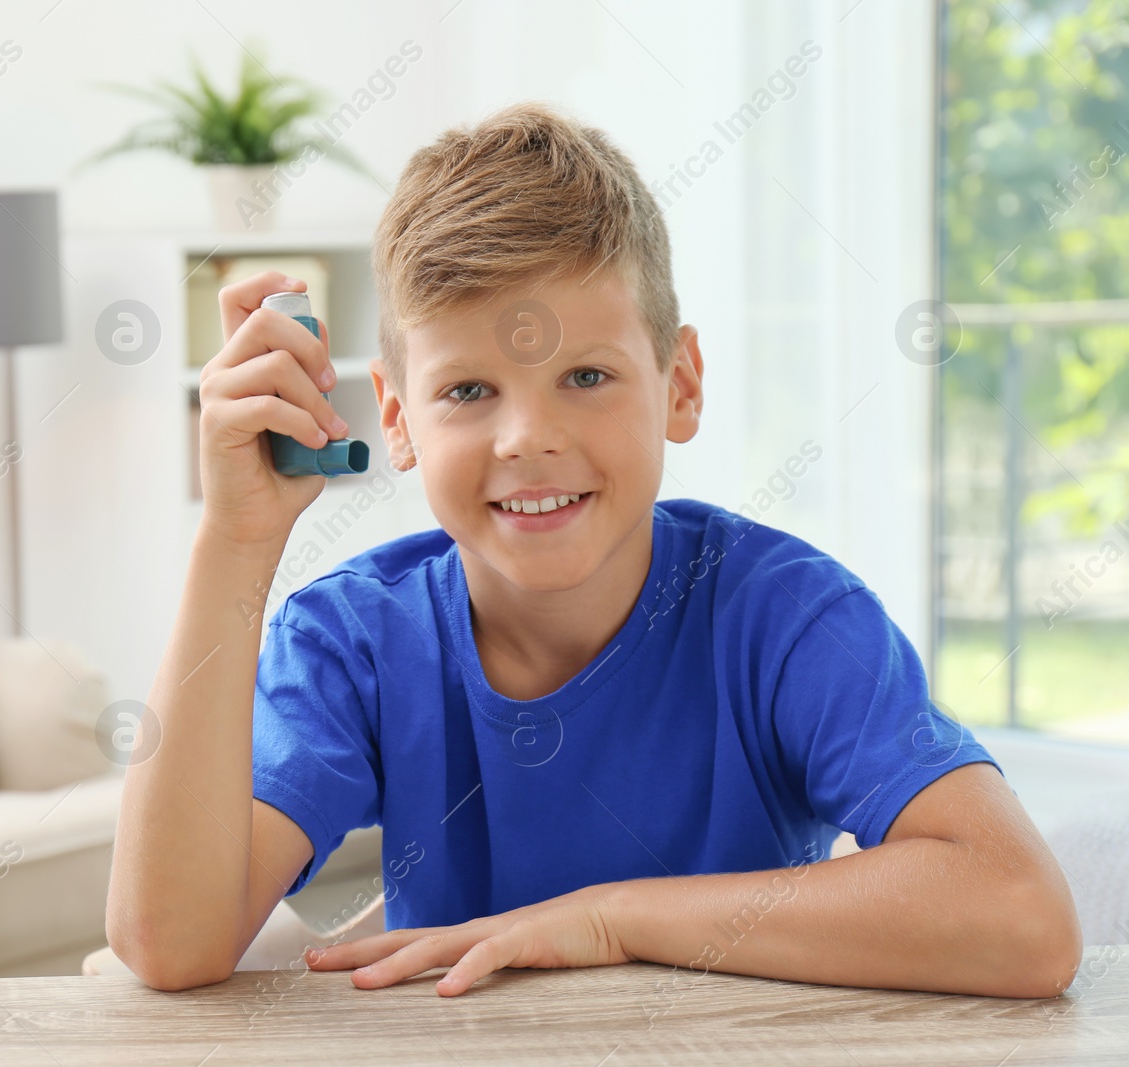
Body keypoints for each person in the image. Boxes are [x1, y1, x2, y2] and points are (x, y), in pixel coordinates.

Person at [105, 101, 1081, 999]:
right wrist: (237, 539)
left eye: (584, 374)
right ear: (397, 421)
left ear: (679, 384)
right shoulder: (354, 637)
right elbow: (168, 942)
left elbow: (1024, 918)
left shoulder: (784, 618)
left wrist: (607, 918)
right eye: (468, 390)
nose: (526, 436)